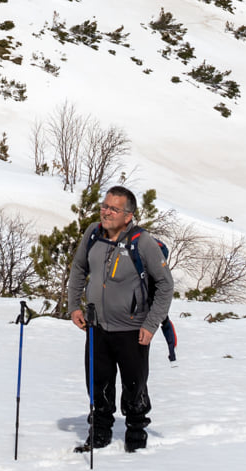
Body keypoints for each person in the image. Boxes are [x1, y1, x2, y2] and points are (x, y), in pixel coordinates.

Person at [67, 185, 173, 453]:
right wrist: (74, 307)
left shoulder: (142, 242)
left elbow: (165, 285)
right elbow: (79, 268)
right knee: (98, 384)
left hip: (132, 329)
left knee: (134, 386)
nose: (106, 212)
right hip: (96, 326)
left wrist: (150, 325)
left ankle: (135, 438)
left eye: (114, 208)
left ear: (128, 215)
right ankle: (99, 434)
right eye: (105, 206)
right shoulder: (93, 233)